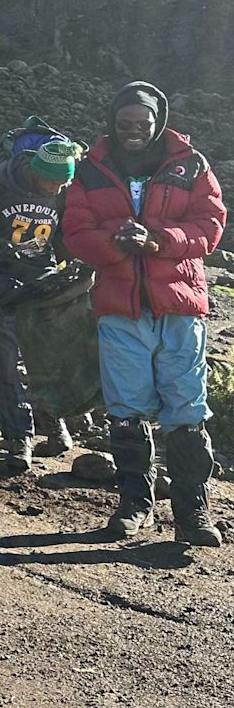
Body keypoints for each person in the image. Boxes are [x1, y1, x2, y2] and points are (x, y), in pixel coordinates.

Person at [63, 82, 227, 546]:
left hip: (179, 305)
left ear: (158, 123)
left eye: (143, 124)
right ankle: (135, 503)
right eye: (124, 125)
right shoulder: (90, 171)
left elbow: (210, 225)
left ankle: (192, 509)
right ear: (112, 124)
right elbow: (75, 230)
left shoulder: (190, 165)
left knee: (187, 407)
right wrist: (116, 243)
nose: (134, 132)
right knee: (126, 409)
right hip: (121, 306)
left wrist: (157, 241)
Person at [0, 139, 78, 471]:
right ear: (36, 173)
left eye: (62, 183)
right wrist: (0, 250)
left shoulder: (64, 188)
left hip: (43, 278)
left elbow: (66, 232)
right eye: (52, 182)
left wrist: (72, 263)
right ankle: (18, 434)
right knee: (4, 357)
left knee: (47, 352)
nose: (56, 188)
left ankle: (52, 420)